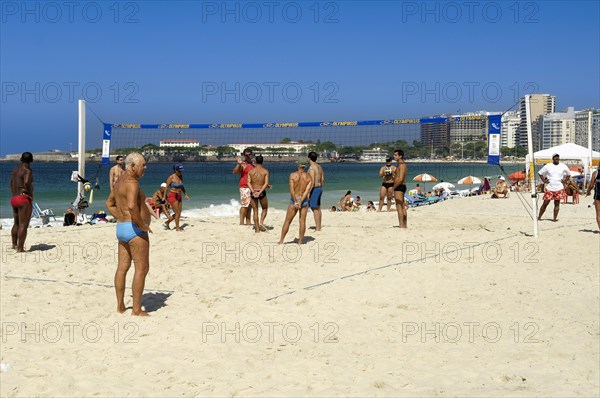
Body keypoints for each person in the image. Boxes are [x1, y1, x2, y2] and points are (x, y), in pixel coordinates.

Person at [105, 152, 152, 316]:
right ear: (133, 166)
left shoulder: (119, 181)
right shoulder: (132, 182)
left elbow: (109, 203)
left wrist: (121, 217)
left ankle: (120, 306)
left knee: (122, 268)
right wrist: (142, 225)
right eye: (143, 165)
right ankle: (137, 310)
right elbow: (132, 206)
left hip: (122, 228)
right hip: (134, 231)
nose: (145, 168)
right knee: (142, 269)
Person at [279, 160, 313, 245]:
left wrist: (295, 201)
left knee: (287, 221)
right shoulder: (309, 177)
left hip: (294, 200)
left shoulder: (293, 175)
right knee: (302, 221)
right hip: (303, 200)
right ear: (305, 166)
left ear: (298, 166)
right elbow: (307, 192)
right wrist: (300, 202)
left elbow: (292, 190)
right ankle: (300, 241)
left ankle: (281, 240)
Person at [10, 152, 34, 252]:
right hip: (23, 199)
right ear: (31, 160)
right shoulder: (27, 170)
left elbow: (11, 183)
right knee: (23, 224)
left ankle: (14, 244)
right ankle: (20, 249)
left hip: (14, 198)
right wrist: (30, 194)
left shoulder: (15, 170)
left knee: (16, 223)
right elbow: (27, 182)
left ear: (21, 159)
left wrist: (14, 194)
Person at [538, 153, 570, 222]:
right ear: (552, 159)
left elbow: (569, 174)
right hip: (550, 188)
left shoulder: (563, 166)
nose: (556, 158)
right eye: (555, 157)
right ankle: (539, 217)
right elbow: (540, 173)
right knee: (545, 203)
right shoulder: (548, 166)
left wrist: (565, 181)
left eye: (558, 157)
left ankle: (554, 219)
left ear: (559, 158)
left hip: (559, 187)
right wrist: (544, 180)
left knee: (557, 203)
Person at [163, 164, 189, 231]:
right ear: (175, 170)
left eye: (181, 171)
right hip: (172, 195)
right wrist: (164, 197)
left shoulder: (181, 177)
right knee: (177, 213)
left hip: (179, 195)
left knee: (179, 213)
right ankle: (177, 228)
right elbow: (166, 188)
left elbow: (182, 186)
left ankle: (167, 222)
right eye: (179, 171)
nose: (181, 172)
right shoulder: (171, 177)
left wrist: (186, 194)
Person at [247, 155, 270, 233]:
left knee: (255, 210)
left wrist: (253, 192)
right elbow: (266, 183)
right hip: (261, 192)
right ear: (263, 162)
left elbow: (248, 183)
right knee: (264, 208)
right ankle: (261, 222)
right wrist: (260, 192)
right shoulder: (265, 171)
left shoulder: (250, 171)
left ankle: (257, 229)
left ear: (255, 162)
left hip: (253, 192)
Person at [233, 148, 255, 225]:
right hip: (244, 186)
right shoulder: (243, 164)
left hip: (253, 187)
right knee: (245, 205)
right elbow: (235, 172)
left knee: (251, 205)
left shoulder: (254, 164)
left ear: (252, 154)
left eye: (249, 154)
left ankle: (248, 221)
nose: (248, 156)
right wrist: (239, 164)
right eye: (246, 155)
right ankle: (241, 222)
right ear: (244, 155)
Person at [307, 151, 324, 231]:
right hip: (320, 188)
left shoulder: (312, 167)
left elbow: (312, 181)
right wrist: (321, 188)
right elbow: (322, 179)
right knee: (318, 208)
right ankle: (319, 226)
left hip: (315, 188)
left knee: (314, 209)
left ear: (309, 158)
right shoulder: (319, 166)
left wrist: (308, 192)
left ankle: (317, 228)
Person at [392, 149, 408, 228]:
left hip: (399, 186)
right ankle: (404, 225)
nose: (394, 156)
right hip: (401, 186)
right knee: (402, 206)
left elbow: (401, 178)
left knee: (399, 207)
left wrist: (393, 188)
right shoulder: (400, 164)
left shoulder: (401, 165)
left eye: (395, 155)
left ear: (400, 156)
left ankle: (402, 225)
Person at [585, 167, 600, 231]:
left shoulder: (596, 173)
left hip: (598, 196)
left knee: (598, 213)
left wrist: (588, 191)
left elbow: (591, 185)